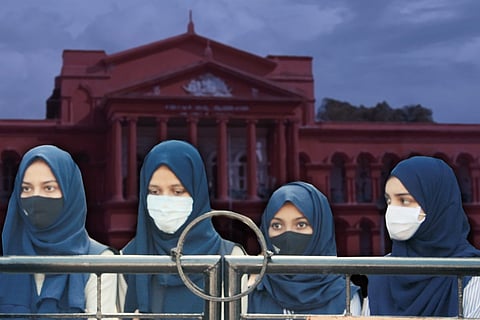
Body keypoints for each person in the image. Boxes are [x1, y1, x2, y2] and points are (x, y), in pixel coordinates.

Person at [122, 140, 244, 315]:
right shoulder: (126, 259)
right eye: (154, 192)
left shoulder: (231, 258)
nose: (165, 201)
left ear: (197, 192)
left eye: (178, 191)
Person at [0, 145, 118, 316]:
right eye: (26, 188)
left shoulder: (100, 259)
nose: (35, 197)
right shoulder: (5, 255)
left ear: (70, 193)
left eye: (49, 188)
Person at [367, 156, 480, 317]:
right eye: (389, 201)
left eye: (404, 201)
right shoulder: (381, 275)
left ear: (437, 203)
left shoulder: (472, 276)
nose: (392, 211)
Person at [247, 181, 362, 316]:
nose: (288, 234)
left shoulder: (346, 298)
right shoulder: (251, 290)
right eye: (277, 226)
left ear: (321, 230)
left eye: (301, 224)